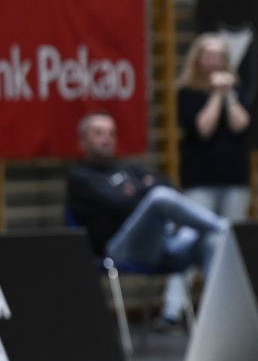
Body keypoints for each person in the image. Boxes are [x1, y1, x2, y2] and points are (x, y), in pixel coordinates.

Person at [66, 112, 229, 323]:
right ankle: (228, 227)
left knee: (213, 241)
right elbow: (120, 204)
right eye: (98, 133)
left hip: (161, 245)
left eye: (111, 133)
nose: (106, 139)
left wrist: (134, 192)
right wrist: (144, 191)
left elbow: (167, 184)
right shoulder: (80, 177)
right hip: (120, 251)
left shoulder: (129, 168)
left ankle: (218, 322)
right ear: (83, 141)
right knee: (159, 198)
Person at [165, 33, 252, 327]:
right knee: (190, 241)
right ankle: (173, 309)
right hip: (200, 181)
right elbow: (204, 128)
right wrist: (215, 95)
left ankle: (222, 310)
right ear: (198, 59)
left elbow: (241, 124)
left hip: (234, 180)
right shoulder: (187, 93)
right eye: (208, 54)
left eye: (219, 55)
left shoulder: (236, 91)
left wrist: (228, 94)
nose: (214, 60)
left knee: (229, 245)